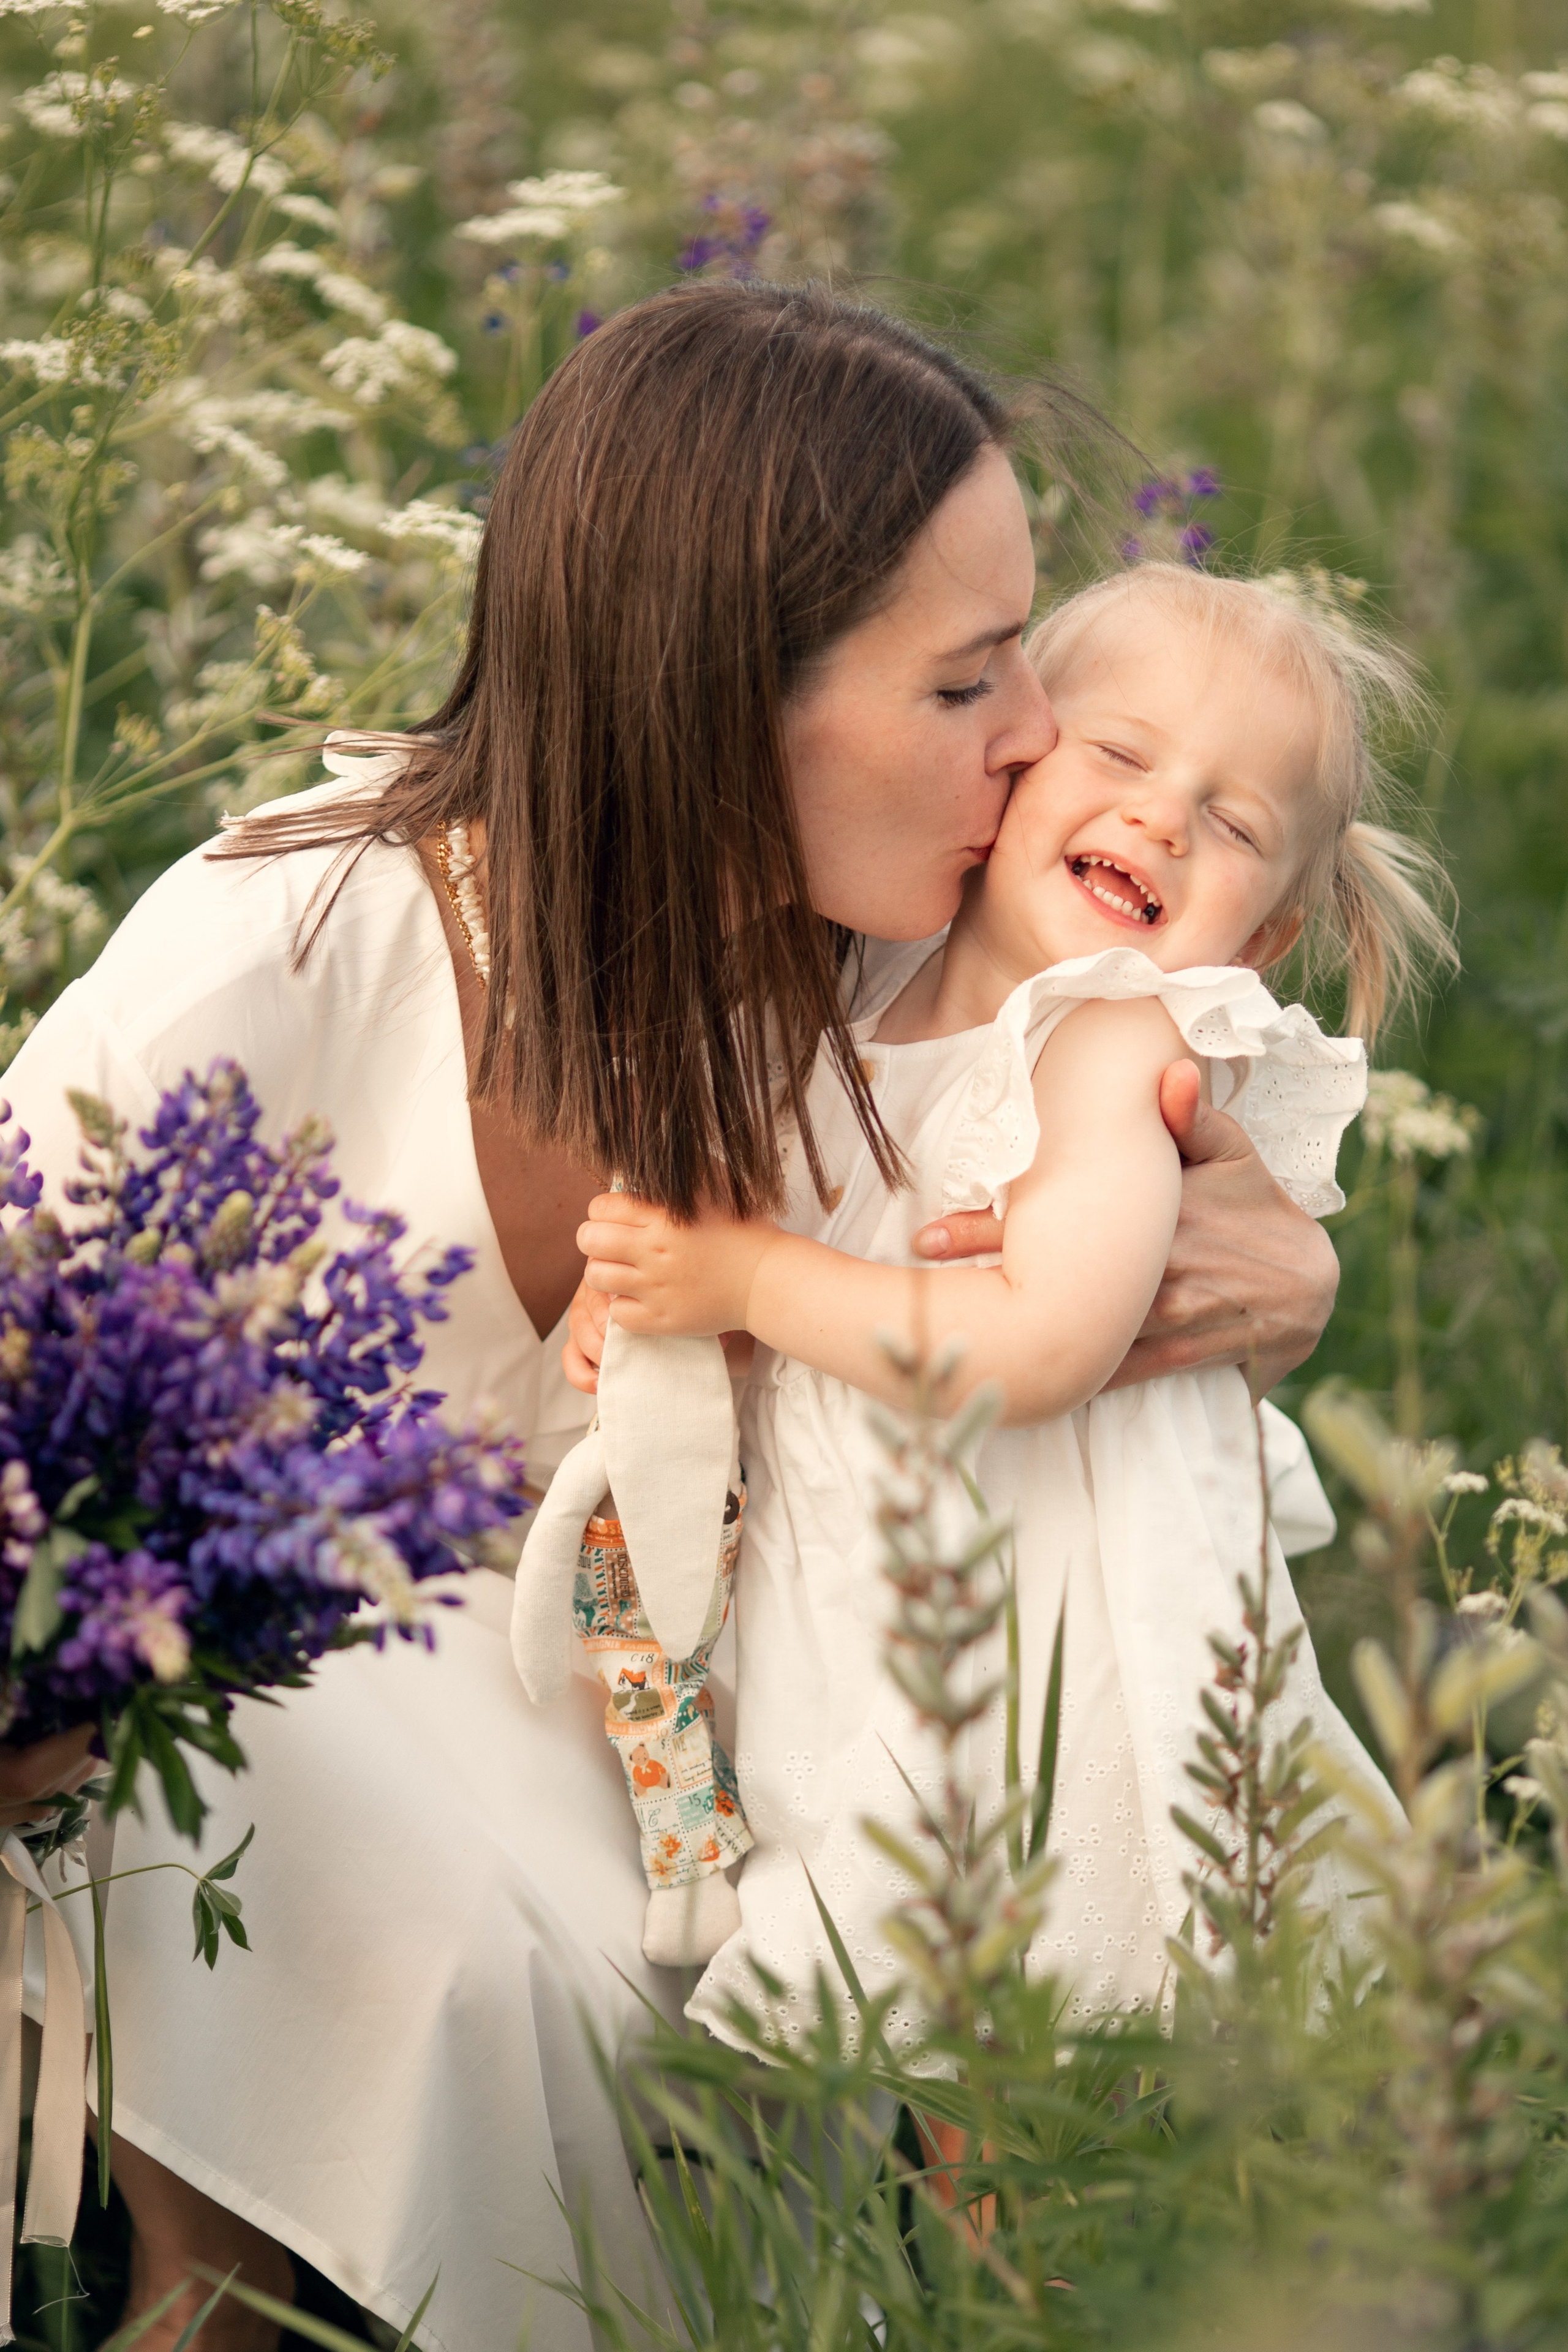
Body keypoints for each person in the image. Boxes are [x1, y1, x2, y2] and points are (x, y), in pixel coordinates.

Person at [0, 285, 1340, 2352]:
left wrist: (1275, 1261)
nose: (1037, 746)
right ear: (723, 700)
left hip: (687, 1827)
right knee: (328, 1782)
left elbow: (1112, 1204)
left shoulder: (863, 989)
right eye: (973, 679)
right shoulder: (281, 953)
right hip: (213, 1776)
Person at [576, 560, 1454, 2046]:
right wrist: (676, 1325)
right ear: (1011, 766)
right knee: (936, 2051)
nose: (1161, 816)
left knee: (1019, 2036)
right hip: (884, 1618)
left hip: (1048, 1655)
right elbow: (849, 1277)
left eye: (1231, 823)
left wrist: (751, 1278)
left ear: (1253, 948)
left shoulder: (1106, 1042)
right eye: (1116, 755)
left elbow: (1042, 1343)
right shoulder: (861, 998)